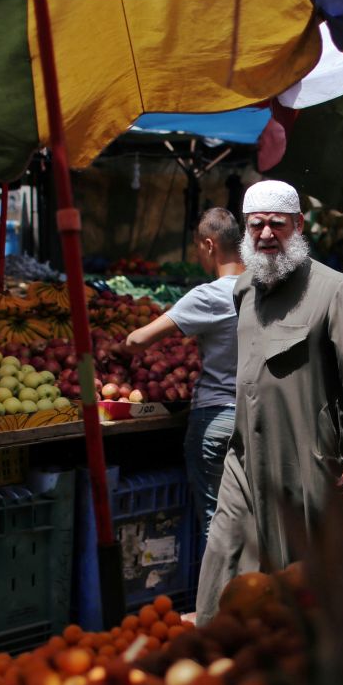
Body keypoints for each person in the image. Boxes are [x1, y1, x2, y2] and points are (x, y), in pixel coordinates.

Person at [196, 180, 343, 624]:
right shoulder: (244, 290)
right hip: (244, 456)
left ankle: (294, 664)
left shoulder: (337, 292)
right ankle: (209, 646)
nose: (266, 234)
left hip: (305, 458)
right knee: (224, 554)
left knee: (297, 577)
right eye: (256, 225)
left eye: (277, 225)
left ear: (298, 225)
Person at [124, 208, 245, 536]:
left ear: (209, 245)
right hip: (257, 419)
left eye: (197, 249)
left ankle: (221, 589)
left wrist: (115, 350)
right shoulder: (265, 290)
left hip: (216, 418)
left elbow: (138, 340)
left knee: (216, 525)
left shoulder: (211, 295)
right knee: (249, 523)